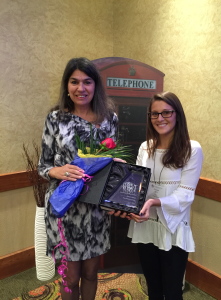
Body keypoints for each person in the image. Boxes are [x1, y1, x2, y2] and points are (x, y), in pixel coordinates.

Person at [38, 57, 118, 300]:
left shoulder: (109, 119)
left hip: (95, 209)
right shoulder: (55, 119)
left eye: (87, 82)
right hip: (65, 209)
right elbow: (43, 165)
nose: (80, 88)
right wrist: (57, 171)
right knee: (71, 277)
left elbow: (110, 161)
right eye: (74, 82)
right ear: (67, 85)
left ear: (96, 86)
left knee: (92, 273)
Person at [112, 91, 203, 300]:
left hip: (173, 227)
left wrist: (154, 202)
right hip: (146, 225)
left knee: (172, 292)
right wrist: (125, 171)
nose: (160, 119)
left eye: (166, 113)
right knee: (152, 288)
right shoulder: (146, 147)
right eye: (154, 114)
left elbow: (186, 195)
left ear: (177, 114)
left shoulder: (192, 149)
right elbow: (140, 184)